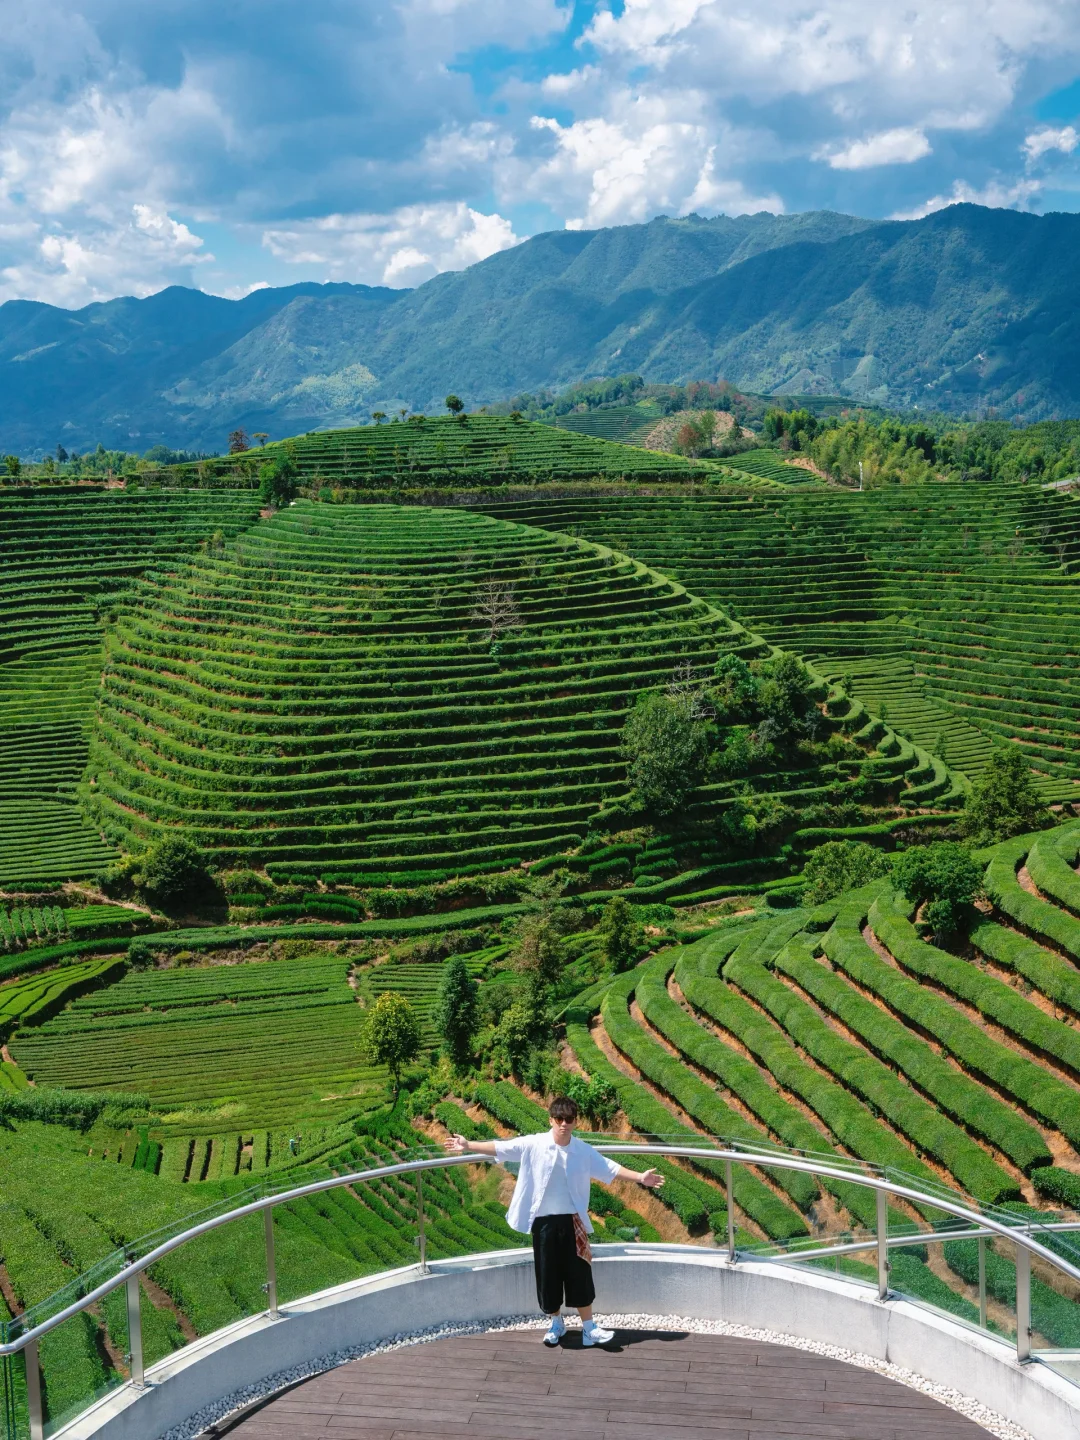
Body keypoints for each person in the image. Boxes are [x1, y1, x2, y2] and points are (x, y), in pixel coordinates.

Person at [445, 1094, 663, 1347]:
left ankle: (589, 1328)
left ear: (575, 1122)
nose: (564, 1124)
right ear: (551, 1120)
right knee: (548, 1276)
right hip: (544, 1222)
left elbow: (610, 1168)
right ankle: (556, 1324)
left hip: (573, 1222)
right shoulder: (534, 1144)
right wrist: (468, 1144)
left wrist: (640, 1177)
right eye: (559, 1119)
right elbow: (501, 1147)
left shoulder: (582, 1151)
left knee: (580, 1274)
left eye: (569, 1119)